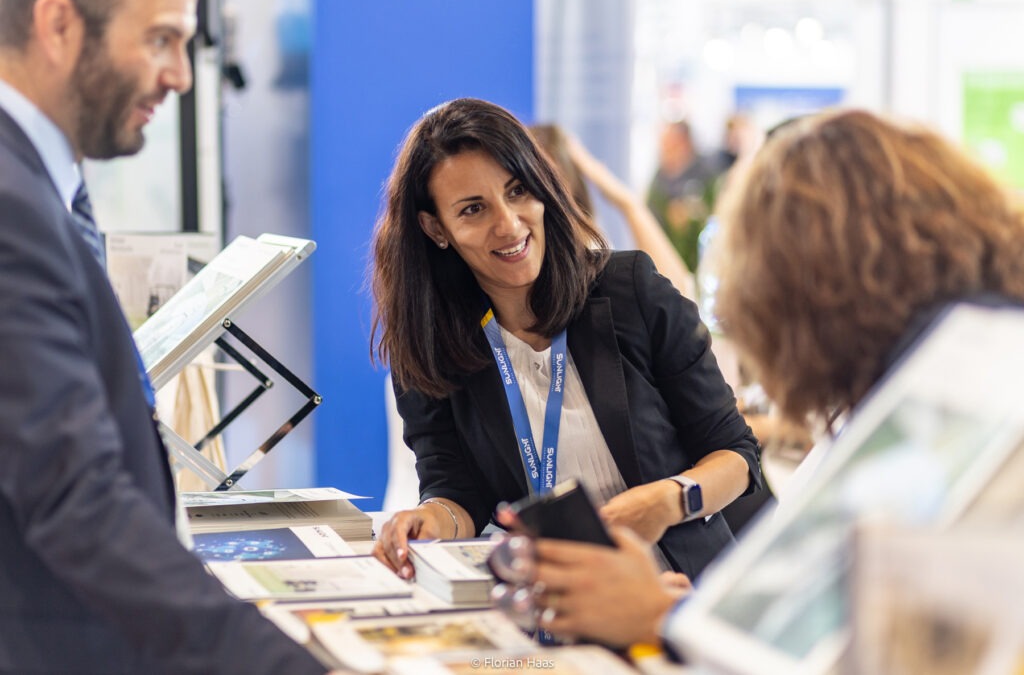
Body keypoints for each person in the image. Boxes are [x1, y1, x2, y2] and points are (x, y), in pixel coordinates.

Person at [500, 108, 1024, 650]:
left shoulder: (953, 397)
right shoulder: (967, 356)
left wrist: (661, 617)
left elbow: (894, 648)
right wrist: (680, 612)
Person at [0, 0, 330, 672]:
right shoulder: (12, 209)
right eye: (160, 40)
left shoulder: (41, 192)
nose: (181, 75)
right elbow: (74, 499)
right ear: (58, 24)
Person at [369, 97, 762, 582]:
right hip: (547, 601)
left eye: (517, 192)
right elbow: (456, 491)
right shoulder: (432, 340)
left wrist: (671, 499)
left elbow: (738, 455)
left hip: (675, 589)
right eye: (473, 209)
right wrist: (429, 520)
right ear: (436, 228)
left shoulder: (630, 292)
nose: (509, 224)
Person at [530, 123, 697, 300]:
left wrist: (626, 202)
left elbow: (675, 297)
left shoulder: (588, 253)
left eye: (553, 182)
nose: (544, 196)